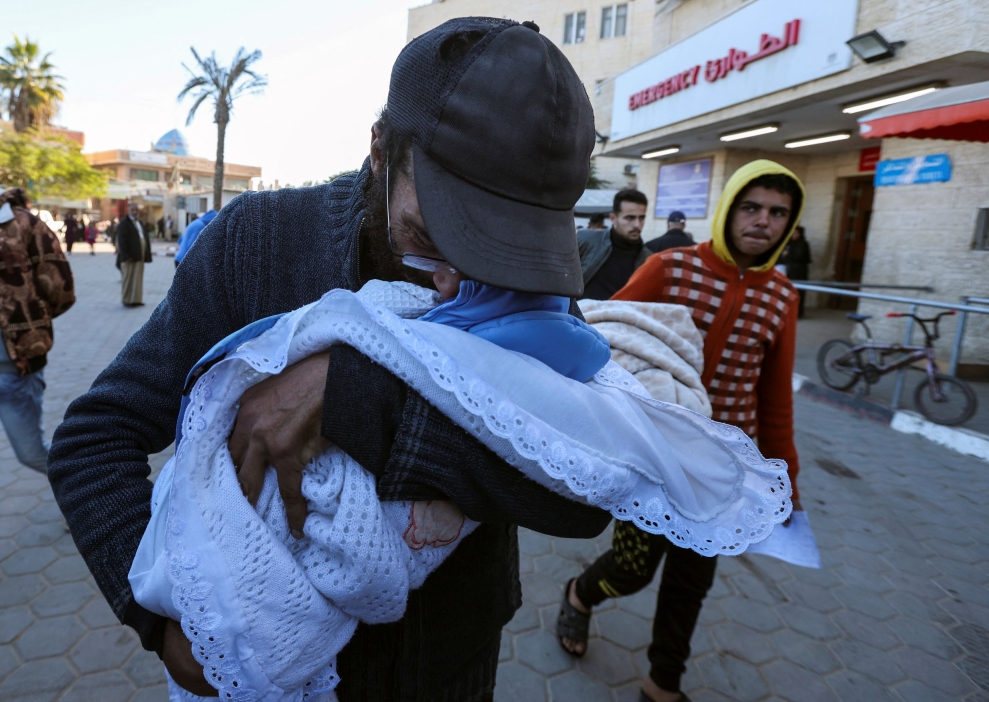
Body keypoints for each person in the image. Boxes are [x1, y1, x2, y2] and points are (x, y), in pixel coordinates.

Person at [49, 18, 614, 700]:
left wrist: (360, 396)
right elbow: (93, 438)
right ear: (381, 148)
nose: (455, 282)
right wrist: (161, 623)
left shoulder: (536, 289)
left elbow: (586, 492)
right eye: (434, 235)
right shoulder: (254, 244)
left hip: (449, 663)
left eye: (499, 252)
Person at [558, 160, 806, 702]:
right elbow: (604, 335)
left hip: (720, 469)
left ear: (788, 224)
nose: (763, 220)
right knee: (631, 570)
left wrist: (790, 487)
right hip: (655, 452)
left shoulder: (782, 298)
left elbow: (775, 401)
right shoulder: (669, 268)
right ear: (729, 209)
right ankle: (579, 594)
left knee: (691, 584)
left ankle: (662, 682)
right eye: (751, 206)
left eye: (777, 212)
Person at [0, 188, 75, 473]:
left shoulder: (23, 224)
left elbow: (60, 288)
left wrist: (31, 320)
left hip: (14, 368)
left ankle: (82, 492)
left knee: (31, 453)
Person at [577, 189, 652, 300]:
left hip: (623, 316)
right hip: (581, 315)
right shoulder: (586, 240)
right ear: (613, 218)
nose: (637, 224)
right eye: (630, 218)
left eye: (641, 218)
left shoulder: (648, 259)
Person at [116, 202, 152, 307]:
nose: (135, 212)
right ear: (128, 210)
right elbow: (121, 241)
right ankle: (127, 301)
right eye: (133, 210)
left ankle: (136, 300)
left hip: (139, 256)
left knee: (137, 280)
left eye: (136, 210)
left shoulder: (139, 222)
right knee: (128, 279)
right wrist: (125, 256)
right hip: (129, 257)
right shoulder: (124, 223)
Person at [781, 224, 811, 317]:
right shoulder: (789, 243)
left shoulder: (803, 244)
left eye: (796, 233)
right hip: (789, 270)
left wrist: (788, 255)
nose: (794, 235)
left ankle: (798, 313)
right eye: (792, 233)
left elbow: (800, 256)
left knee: (798, 292)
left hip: (799, 271)